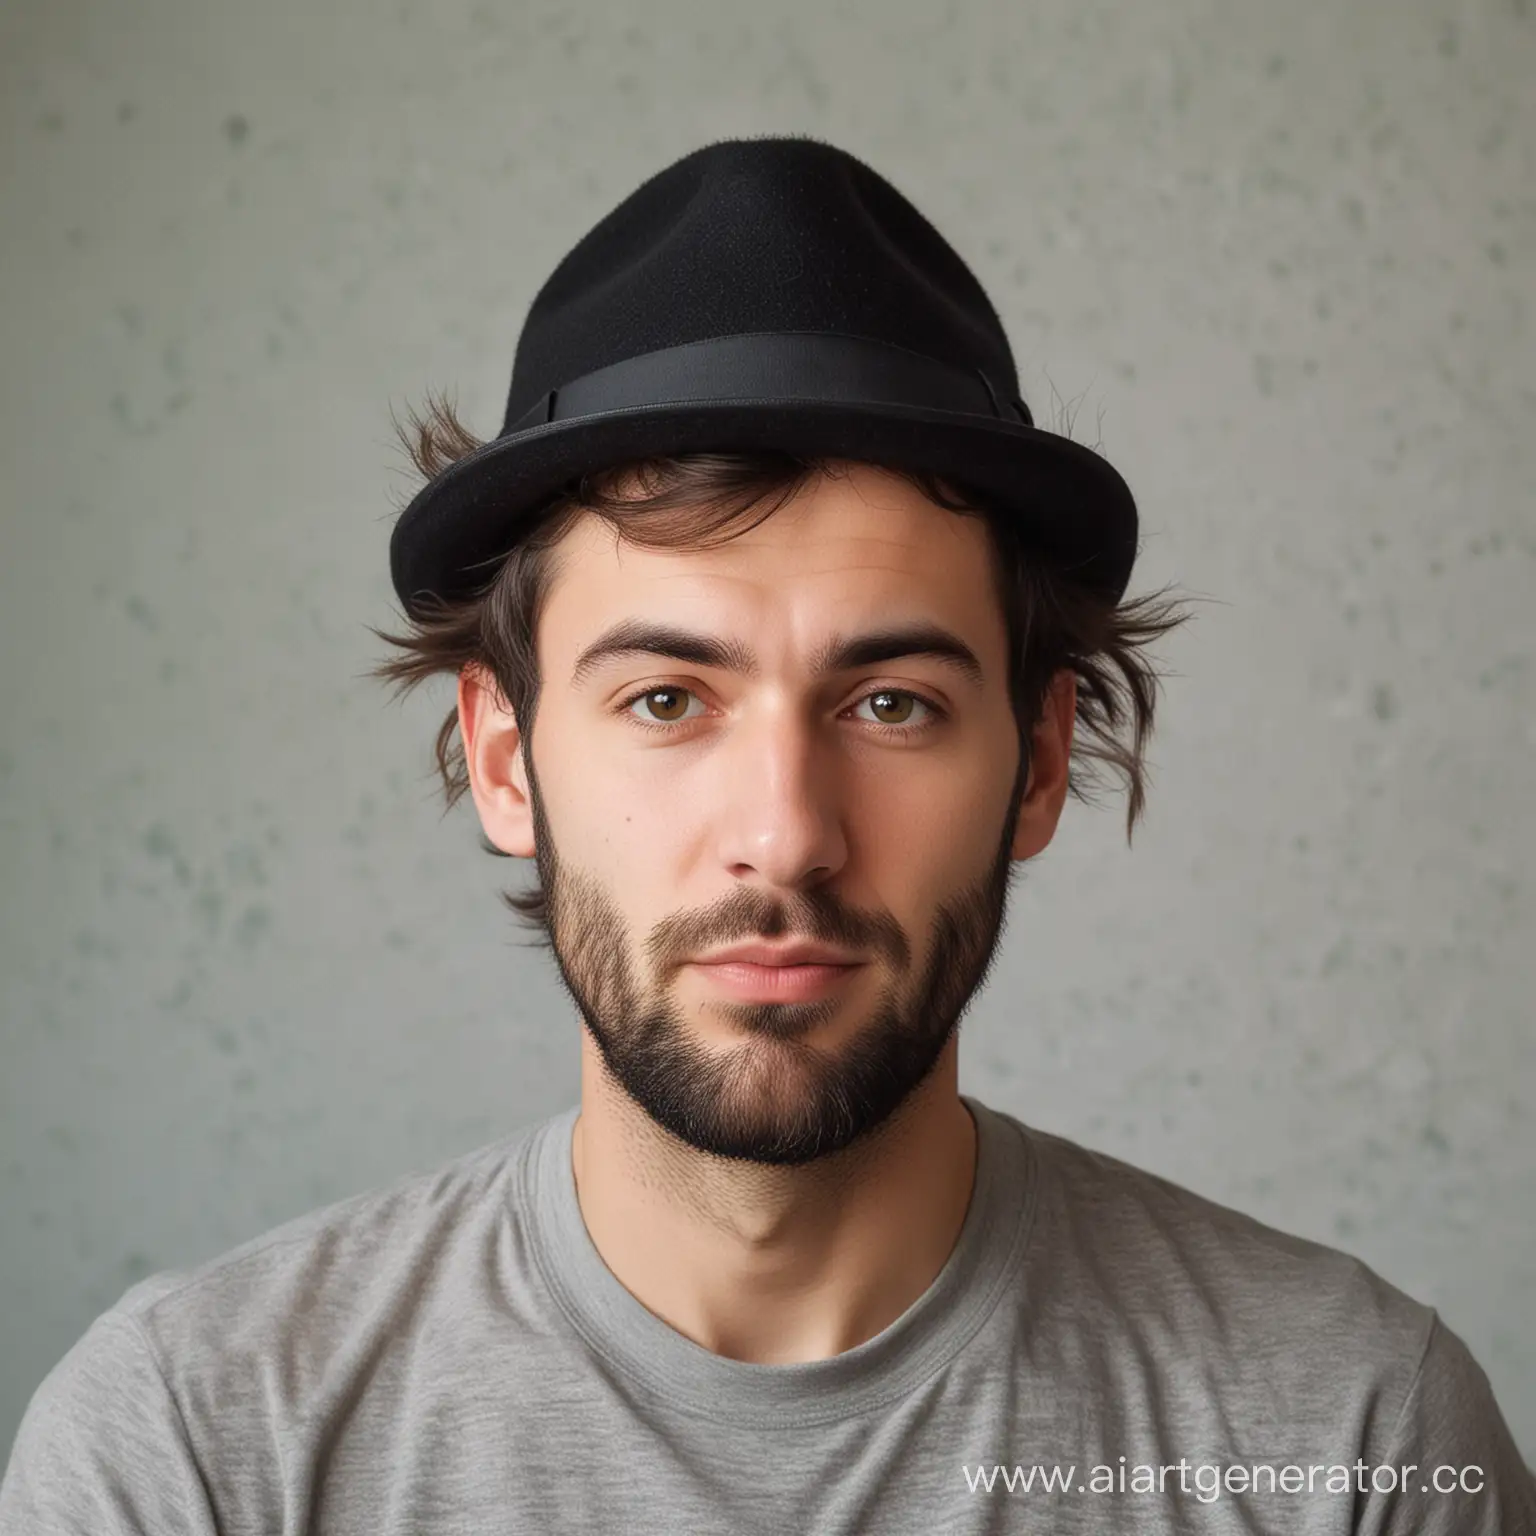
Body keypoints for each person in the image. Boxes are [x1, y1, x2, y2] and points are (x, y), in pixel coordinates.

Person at [3, 133, 1531, 1535]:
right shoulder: (194, 1451)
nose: (787, 836)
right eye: (669, 700)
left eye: (891, 706)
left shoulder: (1354, 1442)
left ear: (1044, 758)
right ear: (502, 759)